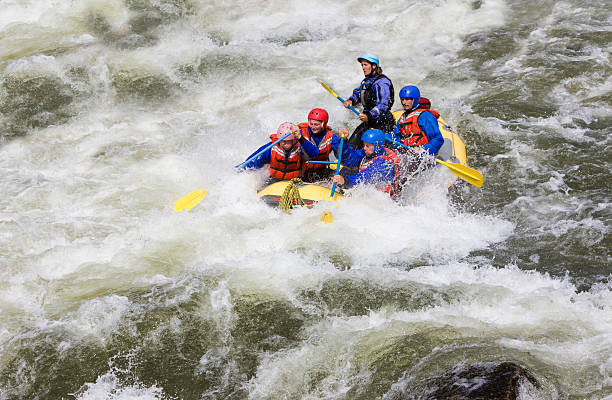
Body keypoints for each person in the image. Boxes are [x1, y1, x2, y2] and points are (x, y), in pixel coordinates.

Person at [389, 85, 445, 178]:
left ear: (414, 99)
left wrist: (423, 149)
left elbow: (438, 139)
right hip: (409, 156)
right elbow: (396, 136)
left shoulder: (425, 116)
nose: (404, 102)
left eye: (407, 99)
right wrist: (395, 144)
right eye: (402, 99)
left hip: (424, 157)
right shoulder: (403, 118)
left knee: (405, 177)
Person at [239, 122, 320, 185]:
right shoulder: (271, 148)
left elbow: (315, 153)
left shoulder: (300, 148)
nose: (284, 144)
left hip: (296, 181)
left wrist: (300, 137)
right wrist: (239, 171)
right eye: (282, 141)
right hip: (274, 181)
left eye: (288, 142)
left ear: (294, 141)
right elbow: (252, 162)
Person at [343, 53, 395, 149]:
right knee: (352, 146)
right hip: (370, 121)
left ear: (374, 66)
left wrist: (369, 115)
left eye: (365, 65)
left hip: (383, 124)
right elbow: (359, 94)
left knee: (376, 151)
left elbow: (383, 105)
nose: (363, 68)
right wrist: (351, 101)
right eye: (362, 65)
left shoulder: (382, 82)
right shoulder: (366, 81)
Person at [331, 128, 400, 197]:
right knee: (345, 170)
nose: (364, 148)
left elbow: (365, 178)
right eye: (364, 145)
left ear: (377, 146)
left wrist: (346, 181)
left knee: (348, 175)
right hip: (368, 193)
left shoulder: (384, 163)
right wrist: (344, 141)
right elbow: (349, 159)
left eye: (367, 146)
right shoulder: (367, 154)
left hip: (383, 199)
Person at [297, 108, 351, 182]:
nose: (313, 127)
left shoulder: (330, 136)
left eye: (316, 124)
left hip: (320, 171)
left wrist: (344, 140)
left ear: (323, 124)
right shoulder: (301, 133)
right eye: (311, 124)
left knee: (341, 178)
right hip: (302, 172)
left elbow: (340, 155)